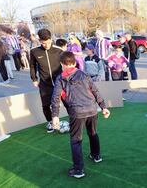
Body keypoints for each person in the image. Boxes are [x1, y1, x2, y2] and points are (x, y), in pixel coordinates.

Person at [51, 51, 110, 179]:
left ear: (62, 64)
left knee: (76, 141)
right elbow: (95, 91)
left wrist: (55, 116)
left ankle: (78, 170)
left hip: (77, 112)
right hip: (92, 110)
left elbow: (55, 98)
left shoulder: (60, 78)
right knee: (93, 133)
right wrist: (103, 107)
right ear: (74, 62)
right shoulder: (84, 74)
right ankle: (96, 156)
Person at [30, 29, 63, 133]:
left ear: (51, 39)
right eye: (44, 43)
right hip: (44, 84)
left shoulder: (59, 50)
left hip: (59, 82)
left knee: (68, 102)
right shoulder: (34, 51)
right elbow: (32, 66)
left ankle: (75, 119)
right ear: (40, 41)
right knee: (45, 105)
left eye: (48, 42)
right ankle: (50, 122)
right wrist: (34, 79)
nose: (46, 45)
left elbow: (65, 65)